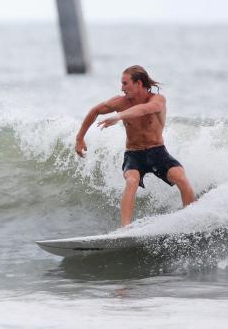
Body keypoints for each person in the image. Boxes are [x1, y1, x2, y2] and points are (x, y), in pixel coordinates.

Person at [75, 65, 196, 227]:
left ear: (138, 83)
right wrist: (79, 138)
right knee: (132, 181)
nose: (122, 88)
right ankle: (125, 228)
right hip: (134, 154)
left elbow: (144, 109)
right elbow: (95, 111)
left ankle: (191, 222)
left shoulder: (158, 100)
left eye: (125, 83)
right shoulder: (120, 102)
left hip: (158, 152)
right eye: (122, 84)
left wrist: (119, 116)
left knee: (180, 177)